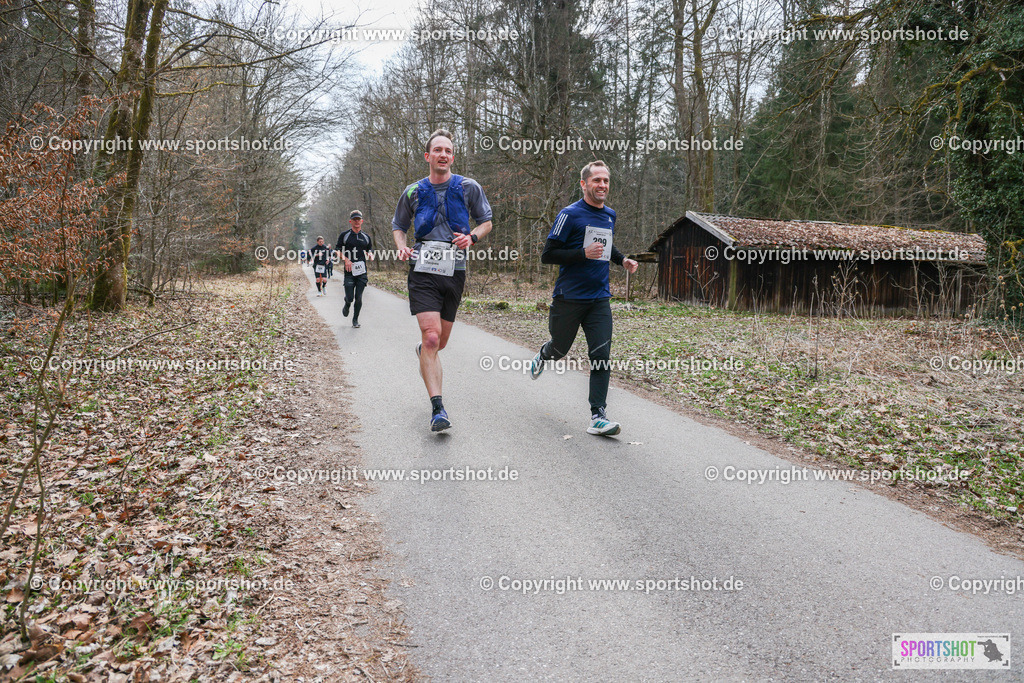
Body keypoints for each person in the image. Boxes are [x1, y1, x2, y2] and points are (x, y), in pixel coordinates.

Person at [391, 129, 493, 432]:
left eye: (448, 150)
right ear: (428, 156)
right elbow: (399, 225)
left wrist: (472, 237)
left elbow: (486, 221)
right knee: (432, 336)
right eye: (437, 150)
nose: (443, 155)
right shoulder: (413, 191)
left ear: (452, 156)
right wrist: (401, 246)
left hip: (455, 270)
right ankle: (438, 409)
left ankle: (425, 354)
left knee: (440, 343)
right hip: (422, 270)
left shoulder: (468, 187)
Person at [529, 160, 638, 436]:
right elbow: (547, 255)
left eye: (606, 181)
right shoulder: (569, 214)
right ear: (584, 184)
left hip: (599, 299)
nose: (602, 185)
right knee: (560, 349)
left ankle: (597, 415)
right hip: (569, 297)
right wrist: (581, 253)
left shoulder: (610, 215)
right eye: (596, 180)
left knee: (601, 355)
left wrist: (622, 260)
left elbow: (606, 246)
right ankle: (545, 352)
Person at [336, 210, 374, 328]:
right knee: (350, 298)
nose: (357, 221)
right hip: (349, 271)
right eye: (354, 219)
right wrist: (345, 259)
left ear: (362, 221)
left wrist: (371, 255)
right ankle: (347, 303)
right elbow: (337, 250)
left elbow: (370, 249)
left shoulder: (366, 237)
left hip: (361, 271)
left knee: (358, 297)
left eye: (359, 219)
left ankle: (355, 319)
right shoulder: (345, 235)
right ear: (350, 221)